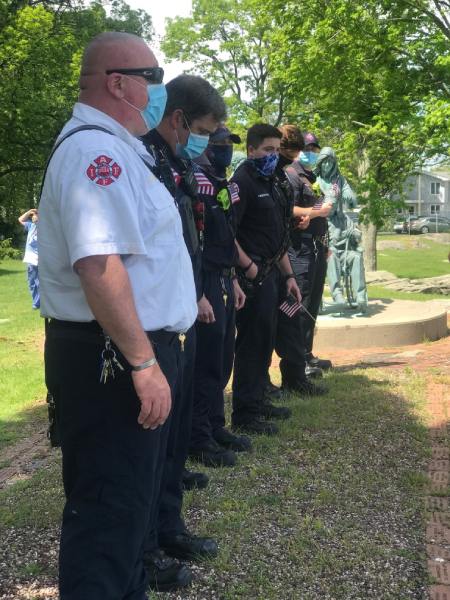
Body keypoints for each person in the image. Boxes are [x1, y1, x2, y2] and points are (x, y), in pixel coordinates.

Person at [39, 32, 197, 599]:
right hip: (113, 356)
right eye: (151, 79)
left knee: (130, 511)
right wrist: (142, 361)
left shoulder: (120, 148)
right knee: (108, 514)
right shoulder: (94, 153)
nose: (158, 91)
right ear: (117, 83)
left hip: (128, 350)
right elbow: (98, 264)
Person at [141, 75, 226, 588]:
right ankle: (145, 549)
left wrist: (195, 292)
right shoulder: (144, 159)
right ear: (177, 120)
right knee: (150, 452)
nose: (204, 141)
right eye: (201, 130)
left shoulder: (177, 162)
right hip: (156, 322)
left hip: (182, 314)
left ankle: (168, 527)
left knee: (172, 443)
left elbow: (187, 240)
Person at [231, 123, 302, 435]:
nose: (273, 156)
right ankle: (245, 412)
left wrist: (289, 275)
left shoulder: (272, 181)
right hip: (253, 275)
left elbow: (279, 235)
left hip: (273, 272)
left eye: (276, 150)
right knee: (251, 344)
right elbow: (227, 233)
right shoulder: (241, 182)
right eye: (267, 150)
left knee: (265, 341)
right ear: (251, 150)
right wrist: (248, 268)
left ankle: (259, 400)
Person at [188, 125, 250, 468]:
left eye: (229, 143)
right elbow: (195, 242)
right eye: (219, 143)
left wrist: (234, 279)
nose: (225, 148)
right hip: (205, 280)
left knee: (223, 357)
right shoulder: (195, 180)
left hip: (224, 278)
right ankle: (198, 439)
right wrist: (198, 292)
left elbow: (226, 237)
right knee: (207, 363)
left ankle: (215, 426)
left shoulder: (222, 183)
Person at [273, 125, 329, 393]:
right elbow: (291, 208)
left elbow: (313, 207)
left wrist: (317, 213)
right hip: (297, 249)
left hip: (315, 246)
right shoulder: (290, 174)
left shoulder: (310, 176)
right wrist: (314, 213)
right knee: (300, 305)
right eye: (305, 149)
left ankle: (305, 355)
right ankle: (297, 364)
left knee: (312, 303)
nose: (310, 153)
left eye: (313, 149)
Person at [315, 146, 368, 311]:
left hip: (339, 223)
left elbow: (352, 199)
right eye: (324, 163)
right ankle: (337, 293)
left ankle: (361, 295)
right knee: (331, 256)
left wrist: (350, 197)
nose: (327, 166)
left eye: (330, 163)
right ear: (320, 163)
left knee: (356, 256)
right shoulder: (314, 180)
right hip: (321, 224)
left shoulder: (339, 180)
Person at [18, 208, 40, 309]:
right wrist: (29, 211)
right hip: (30, 259)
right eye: (33, 216)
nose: (33, 217)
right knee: (32, 283)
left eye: (35, 215)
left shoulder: (44, 228)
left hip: (38, 259)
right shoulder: (30, 226)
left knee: (38, 282)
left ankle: (38, 303)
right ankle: (36, 303)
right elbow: (20, 220)